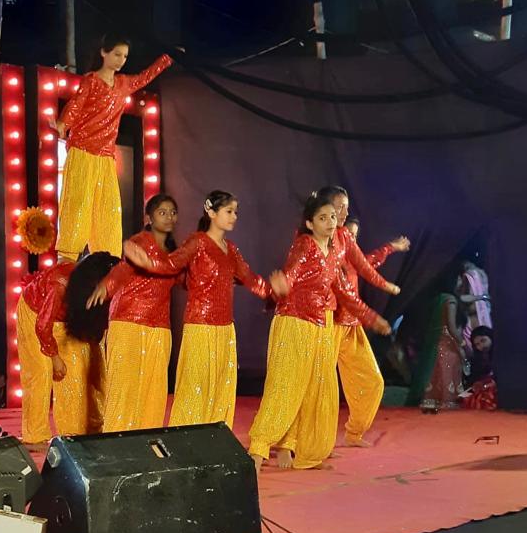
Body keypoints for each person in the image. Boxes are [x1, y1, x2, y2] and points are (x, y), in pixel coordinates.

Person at [248, 191, 391, 471]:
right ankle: (258, 451)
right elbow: (290, 272)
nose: (330, 222)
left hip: (320, 325)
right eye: (323, 218)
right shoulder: (305, 245)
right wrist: (280, 287)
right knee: (286, 387)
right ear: (310, 224)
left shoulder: (334, 254)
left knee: (318, 390)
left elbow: (345, 292)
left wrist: (372, 318)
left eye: (333, 217)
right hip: (294, 322)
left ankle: (308, 453)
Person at [124, 190, 288, 428]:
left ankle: (215, 441)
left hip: (225, 329)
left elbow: (250, 279)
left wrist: (273, 290)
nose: (234, 217)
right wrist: (148, 262)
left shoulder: (231, 249)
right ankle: (187, 441)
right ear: (211, 212)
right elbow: (171, 264)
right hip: (200, 327)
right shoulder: (198, 242)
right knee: (194, 389)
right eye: (229, 211)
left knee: (222, 390)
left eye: (235, 212)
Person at [54, 35, 173, 261]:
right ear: (103, 52)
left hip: (106, 158)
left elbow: (146, 76)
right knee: (78, 207)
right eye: (117, 54)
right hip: (83, 153)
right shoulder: (91, 81)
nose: (121, 60)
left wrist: (167, 59)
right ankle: (66, 261)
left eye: (125, 56)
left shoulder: (123, 84)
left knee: (108, 212)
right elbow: (76, 105)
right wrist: (62, 124)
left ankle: (107, 261)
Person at [86, 194, 181, 431]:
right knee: (124, 388)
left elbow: (185, 280)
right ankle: (115, 442)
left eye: (172, 212)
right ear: (149, 218)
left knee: (154, 391)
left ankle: (145, 442)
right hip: (129, 321)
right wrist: (106, 286)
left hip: (160, 326)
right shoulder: (139, 242)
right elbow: (123, 268)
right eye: (162, 212)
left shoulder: (174, 253)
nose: (168, 217)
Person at [321, 186, 404, 448]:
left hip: (351, 325)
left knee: (373, 381)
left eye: (355, 236)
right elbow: (344, 292)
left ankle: (354, 432)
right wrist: (372, 317)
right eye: (340, 208)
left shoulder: (348, 249)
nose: (351, 239)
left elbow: (368, 264)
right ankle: (308, 443)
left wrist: (390, 249)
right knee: (321, 388)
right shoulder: (323, 248)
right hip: (329, 323)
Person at [16, 254, 114, 445]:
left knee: (77, 373)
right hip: (35, 314)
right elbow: (42, 326)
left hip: (66, 321)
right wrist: (54, 358)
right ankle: (35, 437)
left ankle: (74, 433)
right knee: (41, 373)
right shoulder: (60, 284)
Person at [408, 272, 467, 413]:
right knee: (447, 371)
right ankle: (447, 403)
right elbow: (451, 327)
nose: (461, 281)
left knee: (434, 373)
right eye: (459, 278)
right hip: (447, 342)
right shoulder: (450, 300)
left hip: (433, 341)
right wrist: (462, 343)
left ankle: (430, 402)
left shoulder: (437, 299)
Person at [463, 326, 498, 410]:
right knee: (464, 396)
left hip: (498, 387)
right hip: (482, 386)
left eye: (483, 340)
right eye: (477, 344)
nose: (481, 346)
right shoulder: (477, 359)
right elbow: (474, 378)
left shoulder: (502, 352)